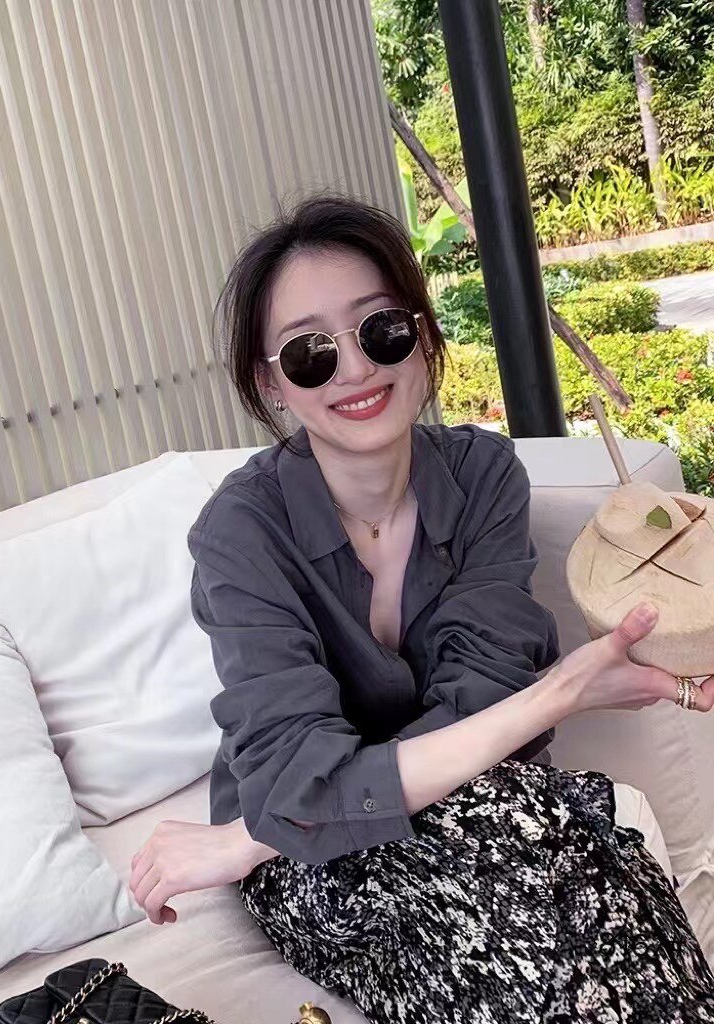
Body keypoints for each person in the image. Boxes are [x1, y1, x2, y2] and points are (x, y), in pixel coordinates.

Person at [129, 194, 714, 1022]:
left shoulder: (483, 477)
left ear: (420, 331)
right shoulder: (242, 530)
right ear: (271, 383)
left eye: (380, 330)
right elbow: (300, 778)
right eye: (309, 352)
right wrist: (559, 693)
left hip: (453, 808)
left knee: (571, 856)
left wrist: (259, 827)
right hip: (311, 864)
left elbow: (482, 696)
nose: (355, 368)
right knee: (547, 866)